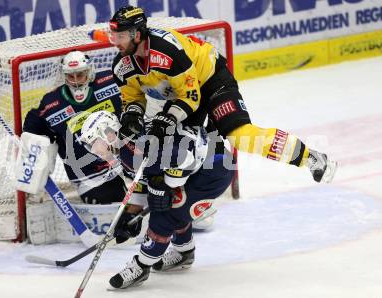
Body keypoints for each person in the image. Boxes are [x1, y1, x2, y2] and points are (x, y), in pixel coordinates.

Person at [108, 5, 337, 184]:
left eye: (121, 36)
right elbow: (133, 98)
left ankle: (311, 158)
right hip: (180, 96)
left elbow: (191, 97)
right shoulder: (121, 66)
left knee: (240, 136)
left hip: (211, 82)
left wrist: (168, 118)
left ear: (137, 35)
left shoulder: (167, 51)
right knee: (182, 150)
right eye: (114, 36)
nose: (115, 42)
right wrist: (132, 116)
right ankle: (188, 204)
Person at [81, 110, 235, 289]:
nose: (95, 151)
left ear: (108, 133)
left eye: (95, 143)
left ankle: (142, 266)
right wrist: (131, 215)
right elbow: (140, 181)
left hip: (214, 168)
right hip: (201, 166)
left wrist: (165, 185)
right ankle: (184, 253)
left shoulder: (132, 150)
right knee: (169, 204)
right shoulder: (125, 146)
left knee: (165, 212)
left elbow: (185, 157)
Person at [22, 50, 126, 205]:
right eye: (71, 76)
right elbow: (35, 126)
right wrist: (26, 139)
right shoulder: (53, 104)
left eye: (80, 74)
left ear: (89, 72)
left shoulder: (110, 82)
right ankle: (35, 190)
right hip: (89, 176)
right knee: (112, 199)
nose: (76, 81)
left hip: (126, 162)